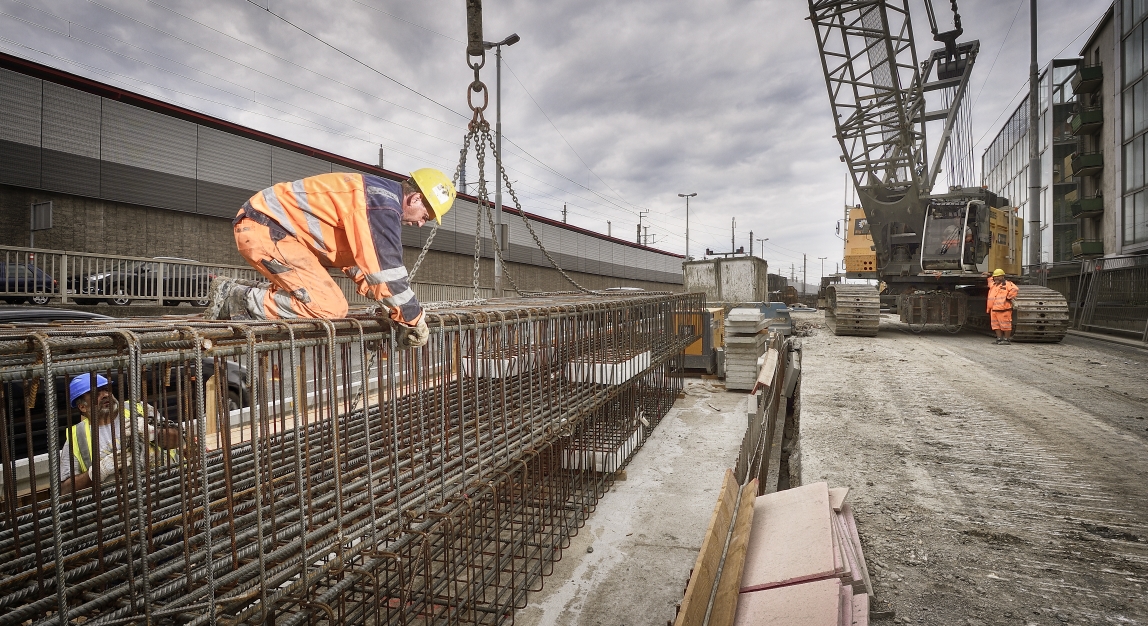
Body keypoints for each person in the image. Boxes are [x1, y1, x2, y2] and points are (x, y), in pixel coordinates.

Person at [204, 169, 457, 349]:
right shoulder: (381, 205)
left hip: (275, 230)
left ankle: (239, 292)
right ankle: (237, 299)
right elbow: (386, 270)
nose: (422, 224)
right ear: (414, 199)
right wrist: (413, 318)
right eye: (427, 215)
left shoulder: (374, 197)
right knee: (329, 308)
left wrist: (386, 301)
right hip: (267, 228)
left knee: (323, 300)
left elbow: (357, 260)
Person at [59, 374, 181, 494]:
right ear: (82, 407)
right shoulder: (77, 437)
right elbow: (66, 489)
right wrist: (98, 471)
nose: (106, 395)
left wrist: (154, 434)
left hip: (172, 489)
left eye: (106, 390)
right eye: (96, 393)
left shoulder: (139, 409)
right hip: (124, 507)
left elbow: (180, 439)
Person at [984, 268, 1019, 345]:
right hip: (994, 309)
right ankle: (999, 339)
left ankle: (1006, 339)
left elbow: (1015, 289)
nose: (996, 278)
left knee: (1006, 325)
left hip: (1004, 309)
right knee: (995, 325)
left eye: (998, 276)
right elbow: (990, 281)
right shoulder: (993, 285)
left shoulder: (1007, 284)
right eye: (995, 276)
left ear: (1003, 276)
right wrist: (989, 275)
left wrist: (1008, 297)